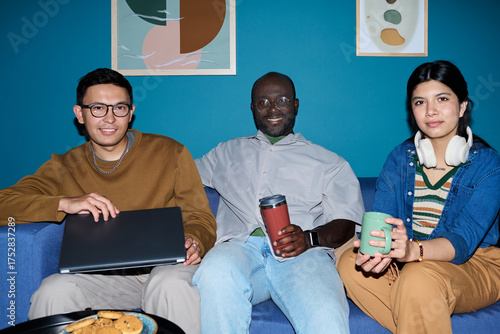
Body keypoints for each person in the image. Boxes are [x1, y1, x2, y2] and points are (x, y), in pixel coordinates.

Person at [0, 68, 216, 334]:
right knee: (53, 291)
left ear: (131, 112)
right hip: (103, 278)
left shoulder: (170, 152)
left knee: (169, 285)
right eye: (98, 108)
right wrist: (63, 203)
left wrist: (195, 239)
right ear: (80, 114)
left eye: (119, 108)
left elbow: (199, 215)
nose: (110, 118)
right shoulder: (64, 165)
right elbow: (4, 202)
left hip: (166, 269)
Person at [193, 71, 364, 333]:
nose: (272, 108)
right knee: (215, 271)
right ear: (253, 109)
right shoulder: (226, 152)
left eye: (282, 100)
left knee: (325, 313)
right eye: (263, 102)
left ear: (295, 105)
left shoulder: (329, 162)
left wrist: (309, 239)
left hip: (303, 254)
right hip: (239, 249)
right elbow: (177, 175)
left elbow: (347, 223)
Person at [338, 60, 500, 334]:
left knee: (417, 278)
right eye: (420, 102)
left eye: (442, 98)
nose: (431, 111)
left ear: (462, 107)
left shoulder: (489, 166)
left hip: (477, 265)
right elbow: (385, 222)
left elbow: (463, 240)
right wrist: (376, 247)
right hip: (411, 266)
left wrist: (414, 251)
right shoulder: (399, 159)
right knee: (348, 263)